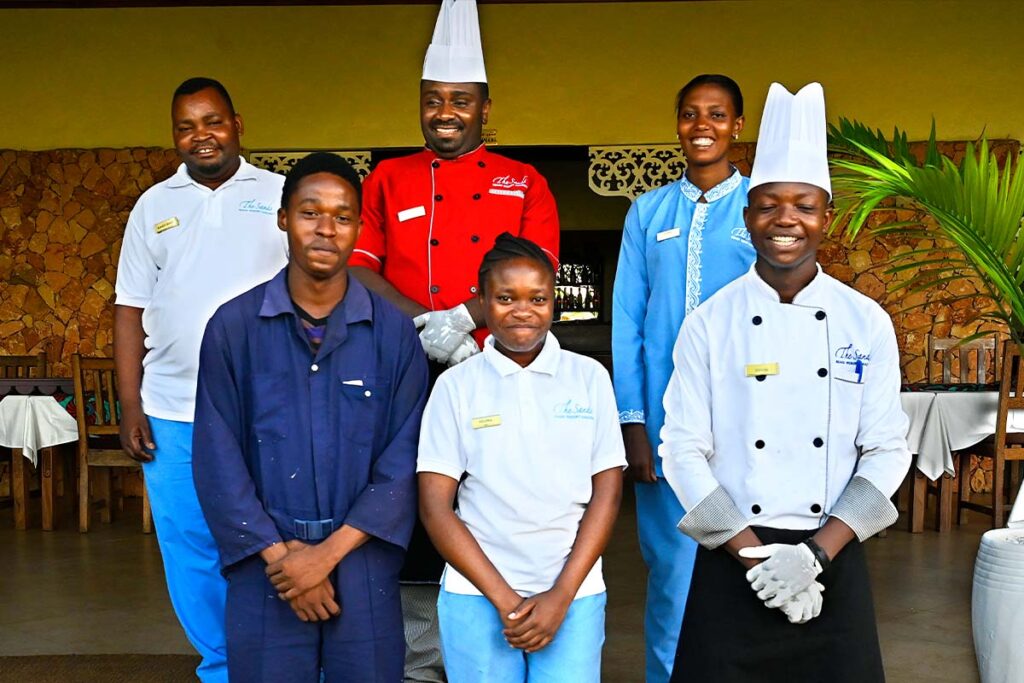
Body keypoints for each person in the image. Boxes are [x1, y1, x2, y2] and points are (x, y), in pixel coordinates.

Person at [660, 82, 910, 682]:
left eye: (804, 205)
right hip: (732, 555)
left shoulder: (865, 321)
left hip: (833, 553)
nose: (786, 220)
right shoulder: (709, 324)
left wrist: (813, 556)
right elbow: (682, 449)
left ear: (827, 217)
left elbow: (886, 449)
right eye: (769, 204)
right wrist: (754, 558)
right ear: (748, 217)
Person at [348, 2, 559, 678]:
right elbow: (360, 268)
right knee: (414, 502)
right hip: (405, 371)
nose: (446, 112)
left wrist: (464, 321)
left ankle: (503, 641)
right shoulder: (387, 178)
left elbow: (537, 271)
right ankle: (422, 662)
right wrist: (425, 326)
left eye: (460, 100)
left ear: (484, 108)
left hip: (494, 365)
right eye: (434, 99)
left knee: (496, 494)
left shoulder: (523, 181)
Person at [191, 152, 429, 681]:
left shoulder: (393, 335)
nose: (326, 229)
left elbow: (405, 459)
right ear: (283, 219)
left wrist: (324, 558)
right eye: (310, 213)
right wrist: (284, 559)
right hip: (266, 566)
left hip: (362, 560)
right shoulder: (233, 329)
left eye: (343, 217)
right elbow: (218, 458)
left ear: (358, 229)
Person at [113, 76, 287, 683]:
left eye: (212, 121)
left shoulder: (280, 196)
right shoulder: (153, 206)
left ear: (237, 125)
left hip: (266, 407)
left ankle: (282, 661)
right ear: (174, 136)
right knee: (190, 545)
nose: (201, 136)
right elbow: (130, 307)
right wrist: (131, 404)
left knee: (274, 537)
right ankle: (223, 667)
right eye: (186, 127)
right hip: (172, 410)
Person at [418, 233, 625, 683]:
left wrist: (561, 595)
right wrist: (506, 600)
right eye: (505, 298)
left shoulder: (589, 378)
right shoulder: (456, 386)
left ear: (554, 301)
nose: (522, 310)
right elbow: (435, 506)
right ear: (482, 302)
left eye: (538, 298)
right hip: (476, 593)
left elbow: (607, 494)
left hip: (574, 592)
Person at [610, 73, 754, 683]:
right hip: (664, 425)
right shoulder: (648, 212)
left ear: (737, 126)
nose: (702, 126)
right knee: (673, 573)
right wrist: (633, 423)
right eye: (691, 113)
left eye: (717, 114)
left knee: (745, 569)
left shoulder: (758, 208)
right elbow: (628, 320)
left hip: (746, 422)